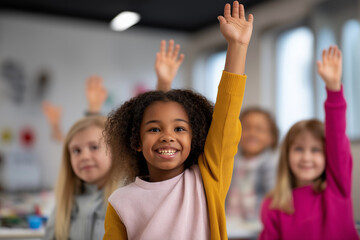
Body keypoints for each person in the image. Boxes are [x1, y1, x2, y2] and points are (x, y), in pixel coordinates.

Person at [102, 1, 253, 239]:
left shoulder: (207, 178)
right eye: (154, 129)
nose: (168, 136)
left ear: (195, 139)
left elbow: (227, 115)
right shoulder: (121, 202)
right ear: (136, 141)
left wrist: (237, 46)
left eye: (180, 128)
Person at [259, 46, 359, 239]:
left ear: (328, 155)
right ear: (286, 154)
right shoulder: (272, 205)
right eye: (298, 149)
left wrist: (333, 90)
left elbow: (337, 139)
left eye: (315, 150)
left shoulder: (336, 187)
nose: (306, 157)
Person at [43, 115, 123, 240]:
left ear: (114, 150)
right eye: (76, 151)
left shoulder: (125, 199)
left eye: (94, 147)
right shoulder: (65, 202)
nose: (84, 156)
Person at [226, 108, 279, 235]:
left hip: (258, 225)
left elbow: (273, 194)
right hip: (231, 222)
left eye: (259, 129)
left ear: (271, 137)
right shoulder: (231, 160)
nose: (252, 133)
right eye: (246, 128)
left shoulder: (271, 164)